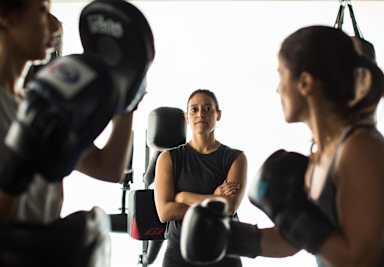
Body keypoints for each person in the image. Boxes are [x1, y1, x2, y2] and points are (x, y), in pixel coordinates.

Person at [181, 25, 384, 267]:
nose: (278, 88)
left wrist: (295, 218)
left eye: (281, 75)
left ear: (305, 82)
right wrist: (229, 238)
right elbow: (292, 242)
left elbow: (360, 260)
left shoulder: (360, 149)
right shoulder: (321, 154)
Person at [0, 0, 133, 224]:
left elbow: (108, 168)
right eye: (42, 10)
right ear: (6, 16)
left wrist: (126, 98)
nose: (51, 26)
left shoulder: (41, 103)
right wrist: (20, 161)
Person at [154, 89, 248, 267]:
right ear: (186, 116)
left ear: (217, 114)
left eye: (207, 109)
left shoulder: (236, 158)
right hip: (179, 256)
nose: (200, 114)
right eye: (194, 109)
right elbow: (165, 212)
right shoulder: (168, 158)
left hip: (224, 253)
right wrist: (215, 198)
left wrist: (183, 197)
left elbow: (229, 207)